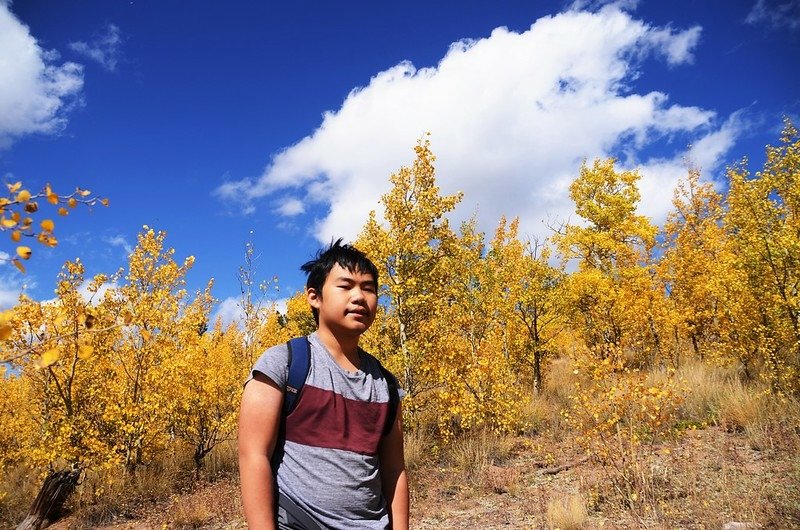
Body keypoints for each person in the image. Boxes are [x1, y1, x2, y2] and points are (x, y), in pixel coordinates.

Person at [238, 240, 409, 530]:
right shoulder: (284, 364)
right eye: (346, 286)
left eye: (368, 288)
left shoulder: (386, 385)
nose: (359, 297)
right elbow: (253, 456)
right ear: (314, 297)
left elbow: (394, 471)